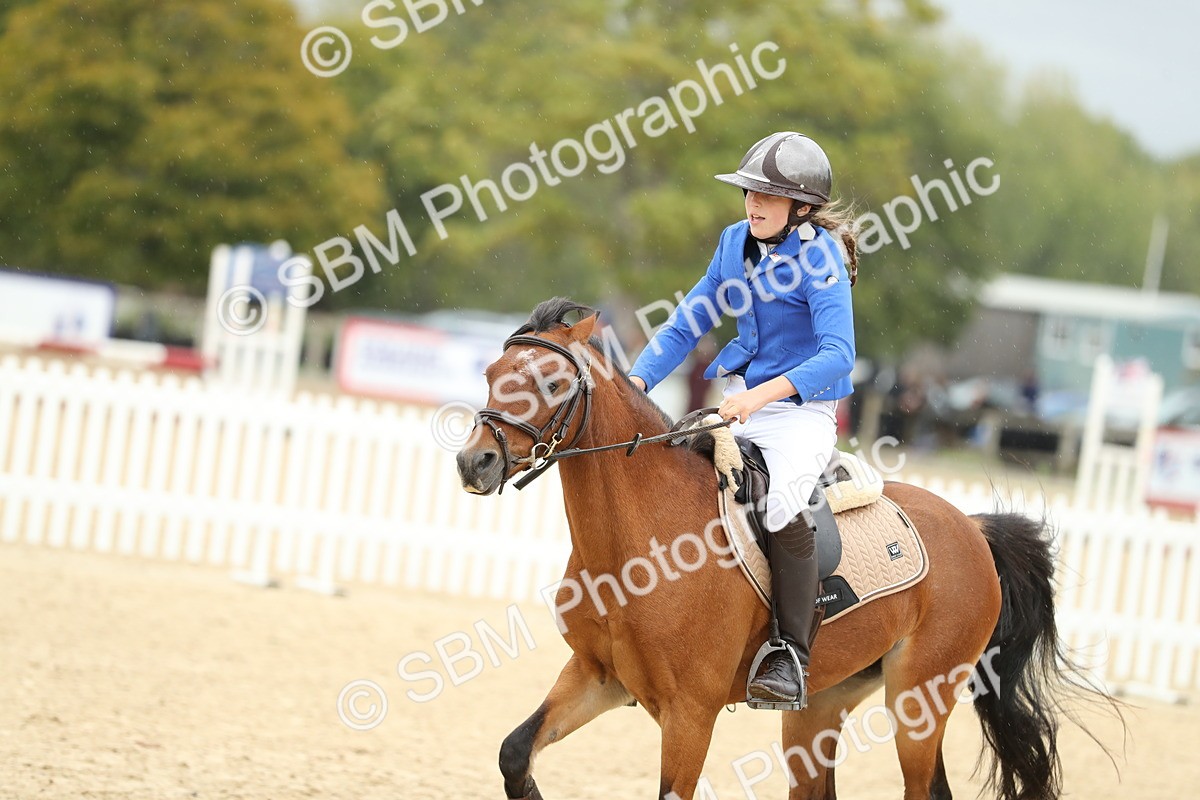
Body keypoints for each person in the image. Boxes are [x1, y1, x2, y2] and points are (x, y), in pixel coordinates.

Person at [628, 131, 858, 708]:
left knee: (780, 503)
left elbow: (838, 353)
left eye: (768, 196)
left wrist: (758, 400)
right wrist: (635, 382)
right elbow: (686, 323)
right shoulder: (735, 244)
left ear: (801, 207)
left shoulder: (819, 256)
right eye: (750, 193)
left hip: (801, 410)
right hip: (740, 398)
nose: (753, 204)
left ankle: (790, 655)